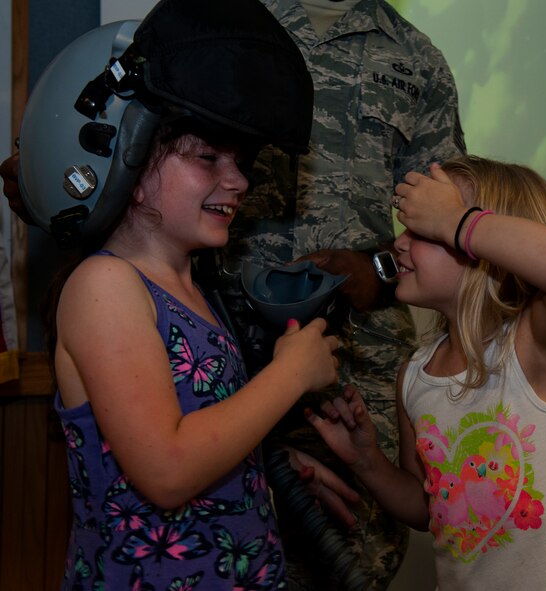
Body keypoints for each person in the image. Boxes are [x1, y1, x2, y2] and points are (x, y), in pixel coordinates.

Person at [17, 0, 343, 588]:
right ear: (131, 163)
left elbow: (194, 427)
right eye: (207, 157)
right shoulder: (105, 287)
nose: (238, 180)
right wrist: (289, 375)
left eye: (241, 161)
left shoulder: (190, 288)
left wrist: (255, 473)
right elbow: (166, 468)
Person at [218, 1, 466, 588]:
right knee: (224, 540)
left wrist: (376, 266)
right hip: (227, 346)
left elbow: (449, 221)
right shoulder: (227, 20)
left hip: (358, 363)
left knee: (356, 554)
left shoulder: (417, 59)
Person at [306, 155, 546, 589]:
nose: (398, 243)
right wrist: (367, 462)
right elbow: (428, 506)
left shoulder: (534, 348)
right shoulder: (416, 375)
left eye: (424, 229)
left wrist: (454, 220)